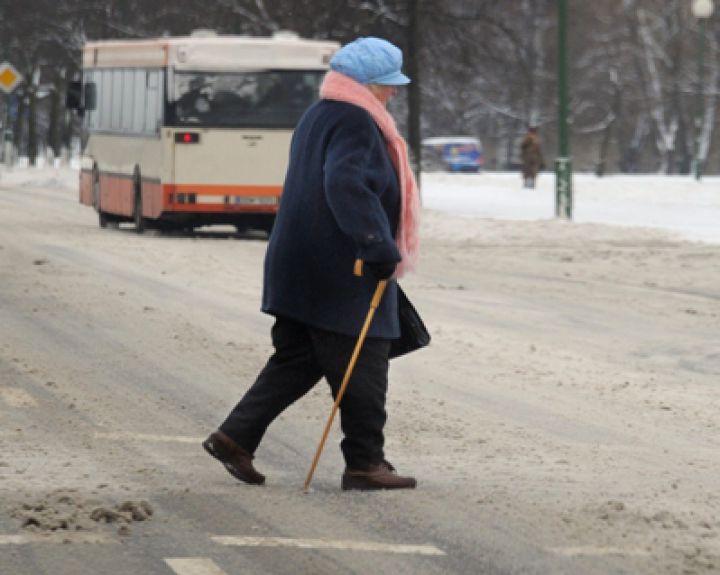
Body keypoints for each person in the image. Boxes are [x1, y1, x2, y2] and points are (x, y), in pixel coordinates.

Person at [203, 37, 421, 491]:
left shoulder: (319, 114)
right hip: (339, 268)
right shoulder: (356, 120)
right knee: (365, 358)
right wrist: (375, 243)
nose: (393, 93)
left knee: (300, 358)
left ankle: (235, 436)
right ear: (365, 84)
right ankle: (364, 462)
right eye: (386, 84)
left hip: (303, 263)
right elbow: (345, 184)